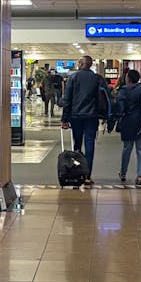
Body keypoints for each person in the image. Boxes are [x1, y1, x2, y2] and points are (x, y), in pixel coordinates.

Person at [61, 55, 110, 186]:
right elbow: (104, 98)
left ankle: (76, 173)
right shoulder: (97, 78)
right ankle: (87, 176)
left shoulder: (73, 77)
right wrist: (105, 115)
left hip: (76, 116)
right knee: (90, 145)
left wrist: (65, 118)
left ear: (82, 64)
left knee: (77, 145)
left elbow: (67, 99)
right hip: (92, 117)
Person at [115, 68, 141, 187]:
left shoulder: (123, 91)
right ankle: (140, 176)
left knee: (127, 148)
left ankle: (123, 173)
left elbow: (119, 108)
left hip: (128, 123)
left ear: (128, 78)